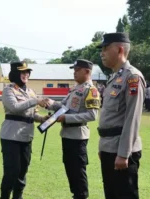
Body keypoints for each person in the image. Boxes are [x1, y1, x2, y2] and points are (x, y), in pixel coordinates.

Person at [97, 32, 146, 199]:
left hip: (122, 151)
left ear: (119, 50)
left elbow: (132, 118)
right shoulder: (114, 78)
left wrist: (124, 153)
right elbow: (108, 118)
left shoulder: (132, 77)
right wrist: (102, 147)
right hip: (109, 148)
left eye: (105, 48)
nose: (101, 53)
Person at [46, 59, 100, 199]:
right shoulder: (76, 89)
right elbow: (63, 107)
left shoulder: (90, 90)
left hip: (78, 136)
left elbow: (92, 115)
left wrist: (66, 118)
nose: (74, 73)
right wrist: (49, 103)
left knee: (78, 172)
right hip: (67, 135)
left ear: (87, 71)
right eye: (74, 70)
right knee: (71, 170)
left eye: (77, 70)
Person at [0, 61, 50, 199]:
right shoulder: (8, 90)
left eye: (27, 72)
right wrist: (35, 101)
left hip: (26, 137)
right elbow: (14, 107)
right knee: (12, 171)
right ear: (15, 73)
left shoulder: (31, 92)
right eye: (22, 72)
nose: (25, 74)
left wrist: (42, 119)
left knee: (22, 171)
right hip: (11, 137)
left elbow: (32, 114)